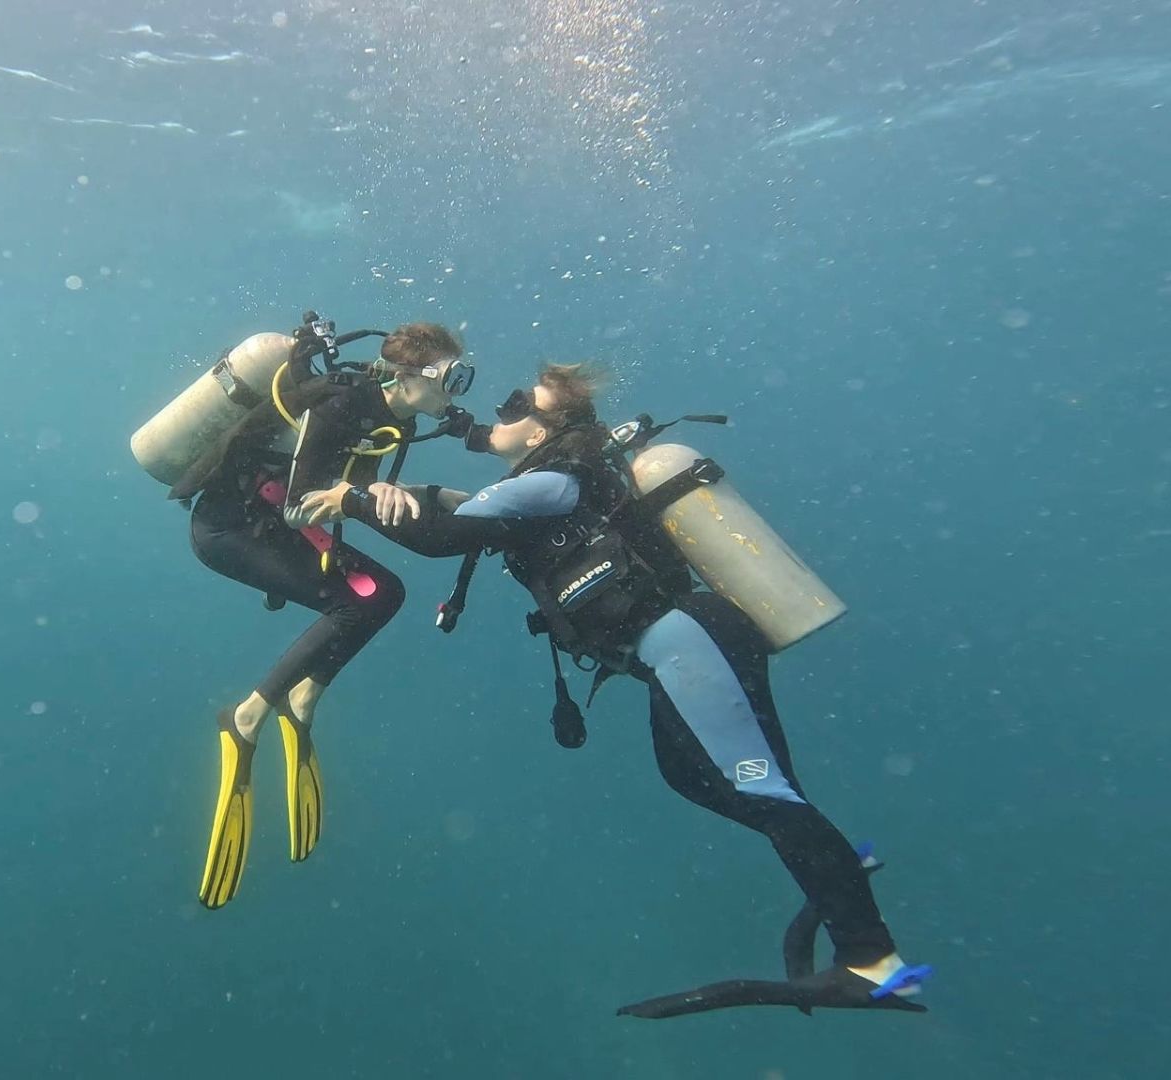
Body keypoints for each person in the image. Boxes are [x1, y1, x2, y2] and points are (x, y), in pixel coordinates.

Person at [299, 363, 930, 1015]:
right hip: (688, 646)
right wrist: (421, 469)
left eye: (518, 403)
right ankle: (833, 874)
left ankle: (870, 956)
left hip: (687, 641)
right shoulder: (552, 481)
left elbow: (444, 533)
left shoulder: (553, 480)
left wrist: (352, 498)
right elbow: (465, 499)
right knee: (693, 777)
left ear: (544, 428)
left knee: (759, 788)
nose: (502, 410)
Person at [169, 321, 473, 909]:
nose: (457, 392)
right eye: (451, 379)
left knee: (382, 595)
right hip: (232, 529)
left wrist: (425, 499)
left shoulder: (396, 419)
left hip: (272, 526)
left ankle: (301, 700)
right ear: (410, 377)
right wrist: (364, 498)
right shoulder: (339, 403)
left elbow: (343, 491)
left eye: (465, 377)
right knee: (365, 597)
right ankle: (247, 718)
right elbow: (300, 502)